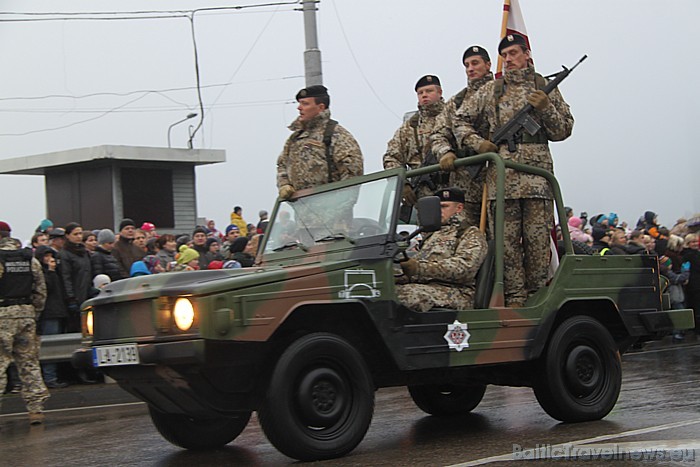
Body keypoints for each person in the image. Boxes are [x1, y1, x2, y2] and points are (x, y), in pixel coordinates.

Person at [453, 34, 574, 306]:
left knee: (538, 244)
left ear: (527, 54)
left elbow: (564, 130)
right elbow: (460, 121)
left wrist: (546, 109)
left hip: (537, 182)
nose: (508, 60)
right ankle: (516, 300)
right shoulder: (492, 90)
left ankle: (538, 298)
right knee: (505, 247)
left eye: (513, 53)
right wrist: (479, 143)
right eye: (504, 55)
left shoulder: (544, 87)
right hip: (502, 181)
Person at [431, 46, 495, 227]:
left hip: (499, 181)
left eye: (475, 63)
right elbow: (438, 133)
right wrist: (445, 152)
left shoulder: (502, 92)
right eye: (467, 65)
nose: (470, 69)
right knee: (467, 238)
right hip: (465, 185)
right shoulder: (456, 102)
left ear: (488, 65)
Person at [395, 188, 487, 312]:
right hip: (426, 288)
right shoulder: (433, 235)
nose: (438, 211)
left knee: (403, 296)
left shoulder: (469, 233)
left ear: (459, 208)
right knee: (382, 291)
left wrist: (419, 268)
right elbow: (413, 270)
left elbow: (465, 269)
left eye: (444, 206)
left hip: (456, 292)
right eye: (436, 207)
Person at [276, 85, 364, 200]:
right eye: (299, 103)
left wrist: (338, 207)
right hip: (301, 211)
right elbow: (282, 164)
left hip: (332, 211)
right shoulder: (295, 138)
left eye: (305, 104)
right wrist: (284, 185)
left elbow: (352, 173)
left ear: (321, 107)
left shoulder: (336, 135)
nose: (299, 108)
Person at [0, 221, 49, 425]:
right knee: (29, 362)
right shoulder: (29, 259)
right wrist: (32, 312)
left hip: (2, 315)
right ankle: (35, 409)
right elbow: (40, 291)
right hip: (27, 315)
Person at [383, 74, 448, 204]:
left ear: (439, 92)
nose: (424, 95)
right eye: (420, 93)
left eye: (429, 91)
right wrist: (403, 185)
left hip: (454, 190)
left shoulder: (452, 116)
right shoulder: (409, 127)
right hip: (424, 195)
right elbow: (391, 158)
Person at [34, 245, 69, 389]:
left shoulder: (57, 271)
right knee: (50, 346)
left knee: (57, 344)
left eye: (51, 256)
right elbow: (47, 287)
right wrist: (50, 271)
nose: (50, 259)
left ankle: (53, 376)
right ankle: (49, 377)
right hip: (48, 312)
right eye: (46, 256)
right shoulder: (41, 272)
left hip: (58, 310)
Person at [59, 223, 92, 332]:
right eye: (75, 234)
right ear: (68, 236)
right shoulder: (65, 254)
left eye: (80, 233)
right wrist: (71, 298)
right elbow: (65, 277)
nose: (79, 236)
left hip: (86, 293)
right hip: (75, 296)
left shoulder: (84, 252)